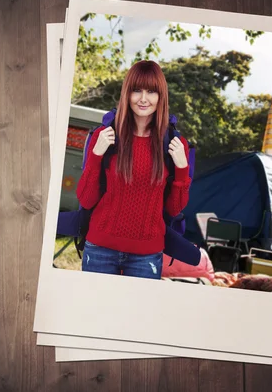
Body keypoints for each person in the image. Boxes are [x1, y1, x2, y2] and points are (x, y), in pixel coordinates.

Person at [76, 60, 191, 280]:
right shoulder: (104, 135)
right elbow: (86, 199)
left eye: (151, 91)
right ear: (127, 93)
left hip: (146, 258)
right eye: (137, 90)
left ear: (161, 96)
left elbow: (174, 209)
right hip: (100, 250)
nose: (143, 99)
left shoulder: (175, 144)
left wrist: (182, 168)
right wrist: (96, 155)